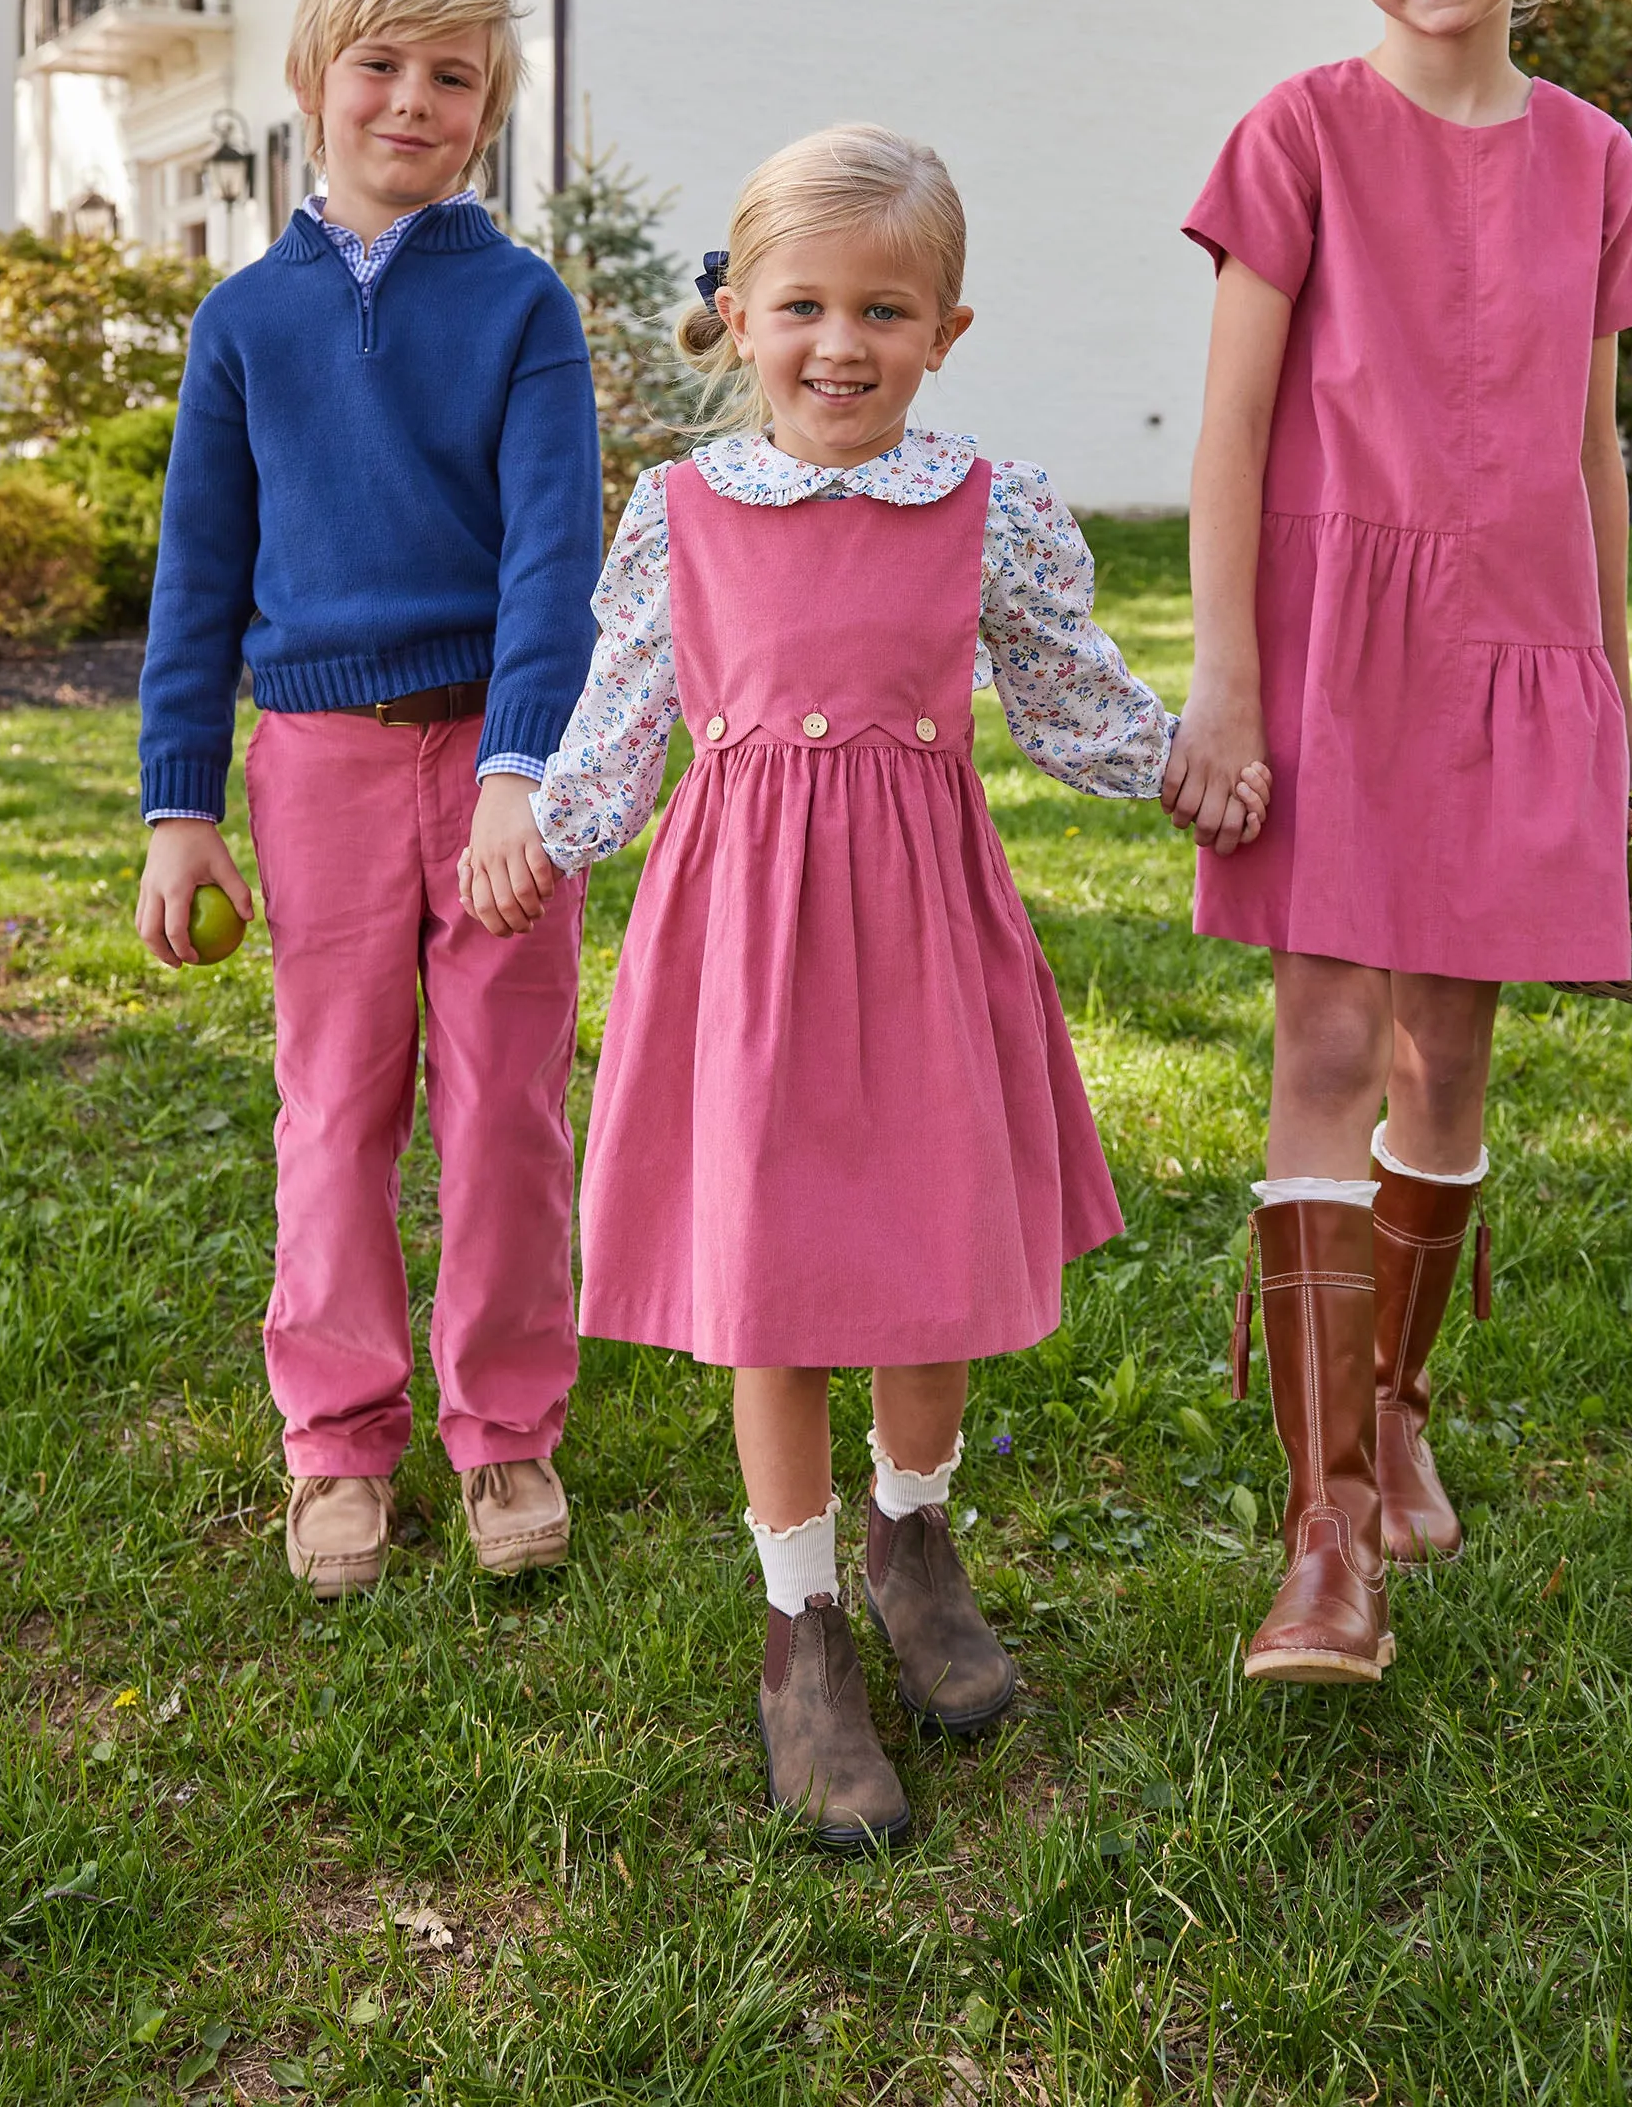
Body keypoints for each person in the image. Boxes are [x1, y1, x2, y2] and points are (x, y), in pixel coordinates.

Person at [477, 124, 1265, 1849]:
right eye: (806, 306)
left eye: (884, 311)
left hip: (922, 931)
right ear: (740, 316)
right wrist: (535, 824)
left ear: (945, 331)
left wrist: (1195, 763)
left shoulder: (989, 503)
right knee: (768, 1279)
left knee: (930, 1258)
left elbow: (1069, 695)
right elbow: (616, 715)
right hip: (742, 939)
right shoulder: (679, 507)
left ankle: (915, 1533)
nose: (842, 344)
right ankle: (798, 1625)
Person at [1164, 0, 1632, 1687]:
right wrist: (1225, 679)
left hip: (1509, 649)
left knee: (1446, 1063)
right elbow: (1228, 429)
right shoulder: (1290, 138)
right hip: (1329, 639)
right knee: (1321, 1034)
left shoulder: (1590, 158)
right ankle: (1321, 1536)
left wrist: (1617, 707)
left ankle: (1390, 1401)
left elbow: (1587, 448)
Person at [135, 0, 602, 1601]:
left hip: (492, 756)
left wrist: (520, 772)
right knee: (335, 1105)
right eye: (381, 65)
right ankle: (336, 1436)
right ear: (312, 80)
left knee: (506, 1107)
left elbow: (557, 561)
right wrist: (180, 806)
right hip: (316, 766)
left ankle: (504, 1428)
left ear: (489, 106)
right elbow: (197, 576)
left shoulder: (521, 304)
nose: (412, 98)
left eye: (454, 75)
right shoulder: (244, 323)